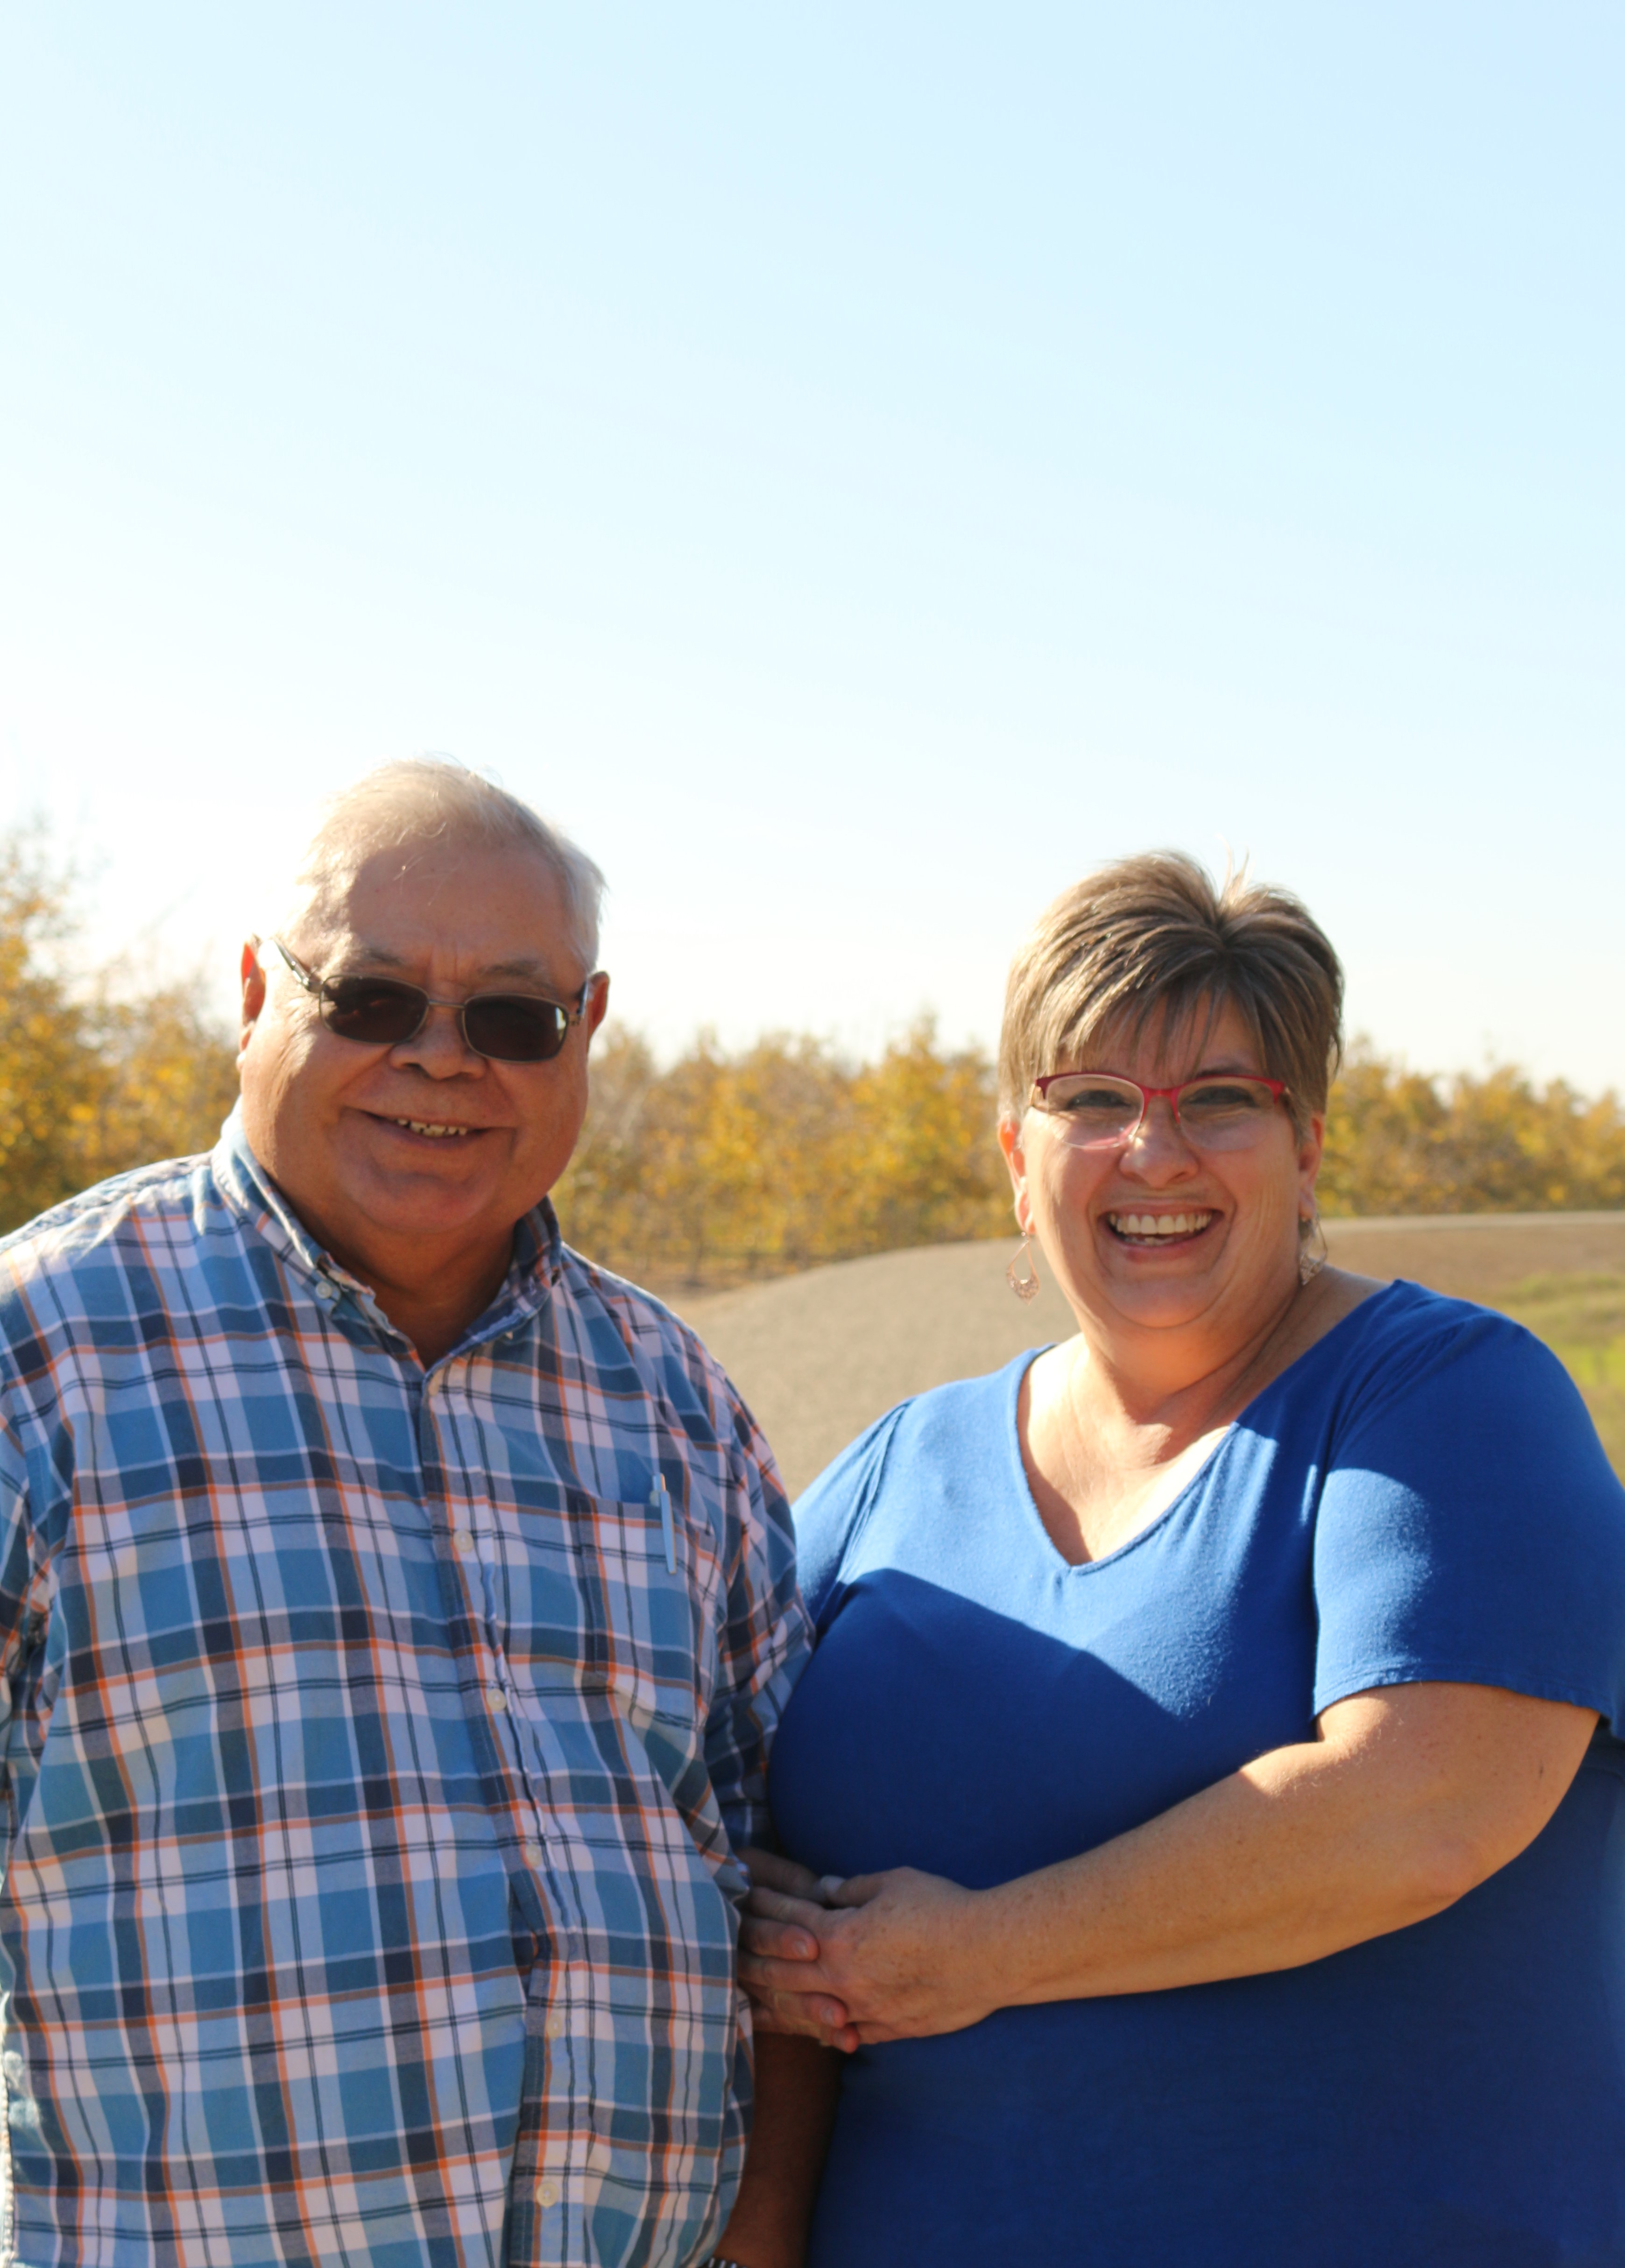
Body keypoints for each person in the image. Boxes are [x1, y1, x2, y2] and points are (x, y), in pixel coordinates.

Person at [742, 852, 1625, 2268]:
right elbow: (716, 1822)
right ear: (1019, 1162)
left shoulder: (1447, 1401)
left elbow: (1420, 1809)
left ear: (1310, 1144)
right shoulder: (901, 1468)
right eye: (1092, 1100)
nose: (1154, 1152)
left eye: (1221, 1098)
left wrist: (974, 1954)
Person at [0, 759, 821, 2268]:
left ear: (588, 1029)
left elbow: (782, 1888)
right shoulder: (39, 1362)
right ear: (256, 990)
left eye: (513, 1017)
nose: (444, 1061)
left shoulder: (673, 1402)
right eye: (373, 999)